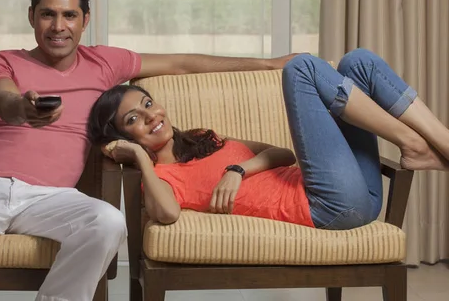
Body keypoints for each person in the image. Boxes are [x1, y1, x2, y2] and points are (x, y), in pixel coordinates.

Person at [0, 0, 296, 301]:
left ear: (85, 20)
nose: (58, 26)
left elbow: (182, 62)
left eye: (69, 15)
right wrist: (22, 108)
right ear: (32, 17)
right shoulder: (2, 60)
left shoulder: (104, 62)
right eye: (48, 14)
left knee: (108, 222)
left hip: (51, 198)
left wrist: (268, 63)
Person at [88, 50, 449, 229]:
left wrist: (238, 170)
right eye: (134, 119)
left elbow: (283, 155)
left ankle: (436, 142)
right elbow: (165, 214)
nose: (152, 116)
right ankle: (416, 143)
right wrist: (137, 155)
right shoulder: (163, 178)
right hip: (329, 207)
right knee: (302, 67)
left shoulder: (200, 138)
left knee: (359, 61)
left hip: (361, 193)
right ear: (123, 136)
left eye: (148, 103)